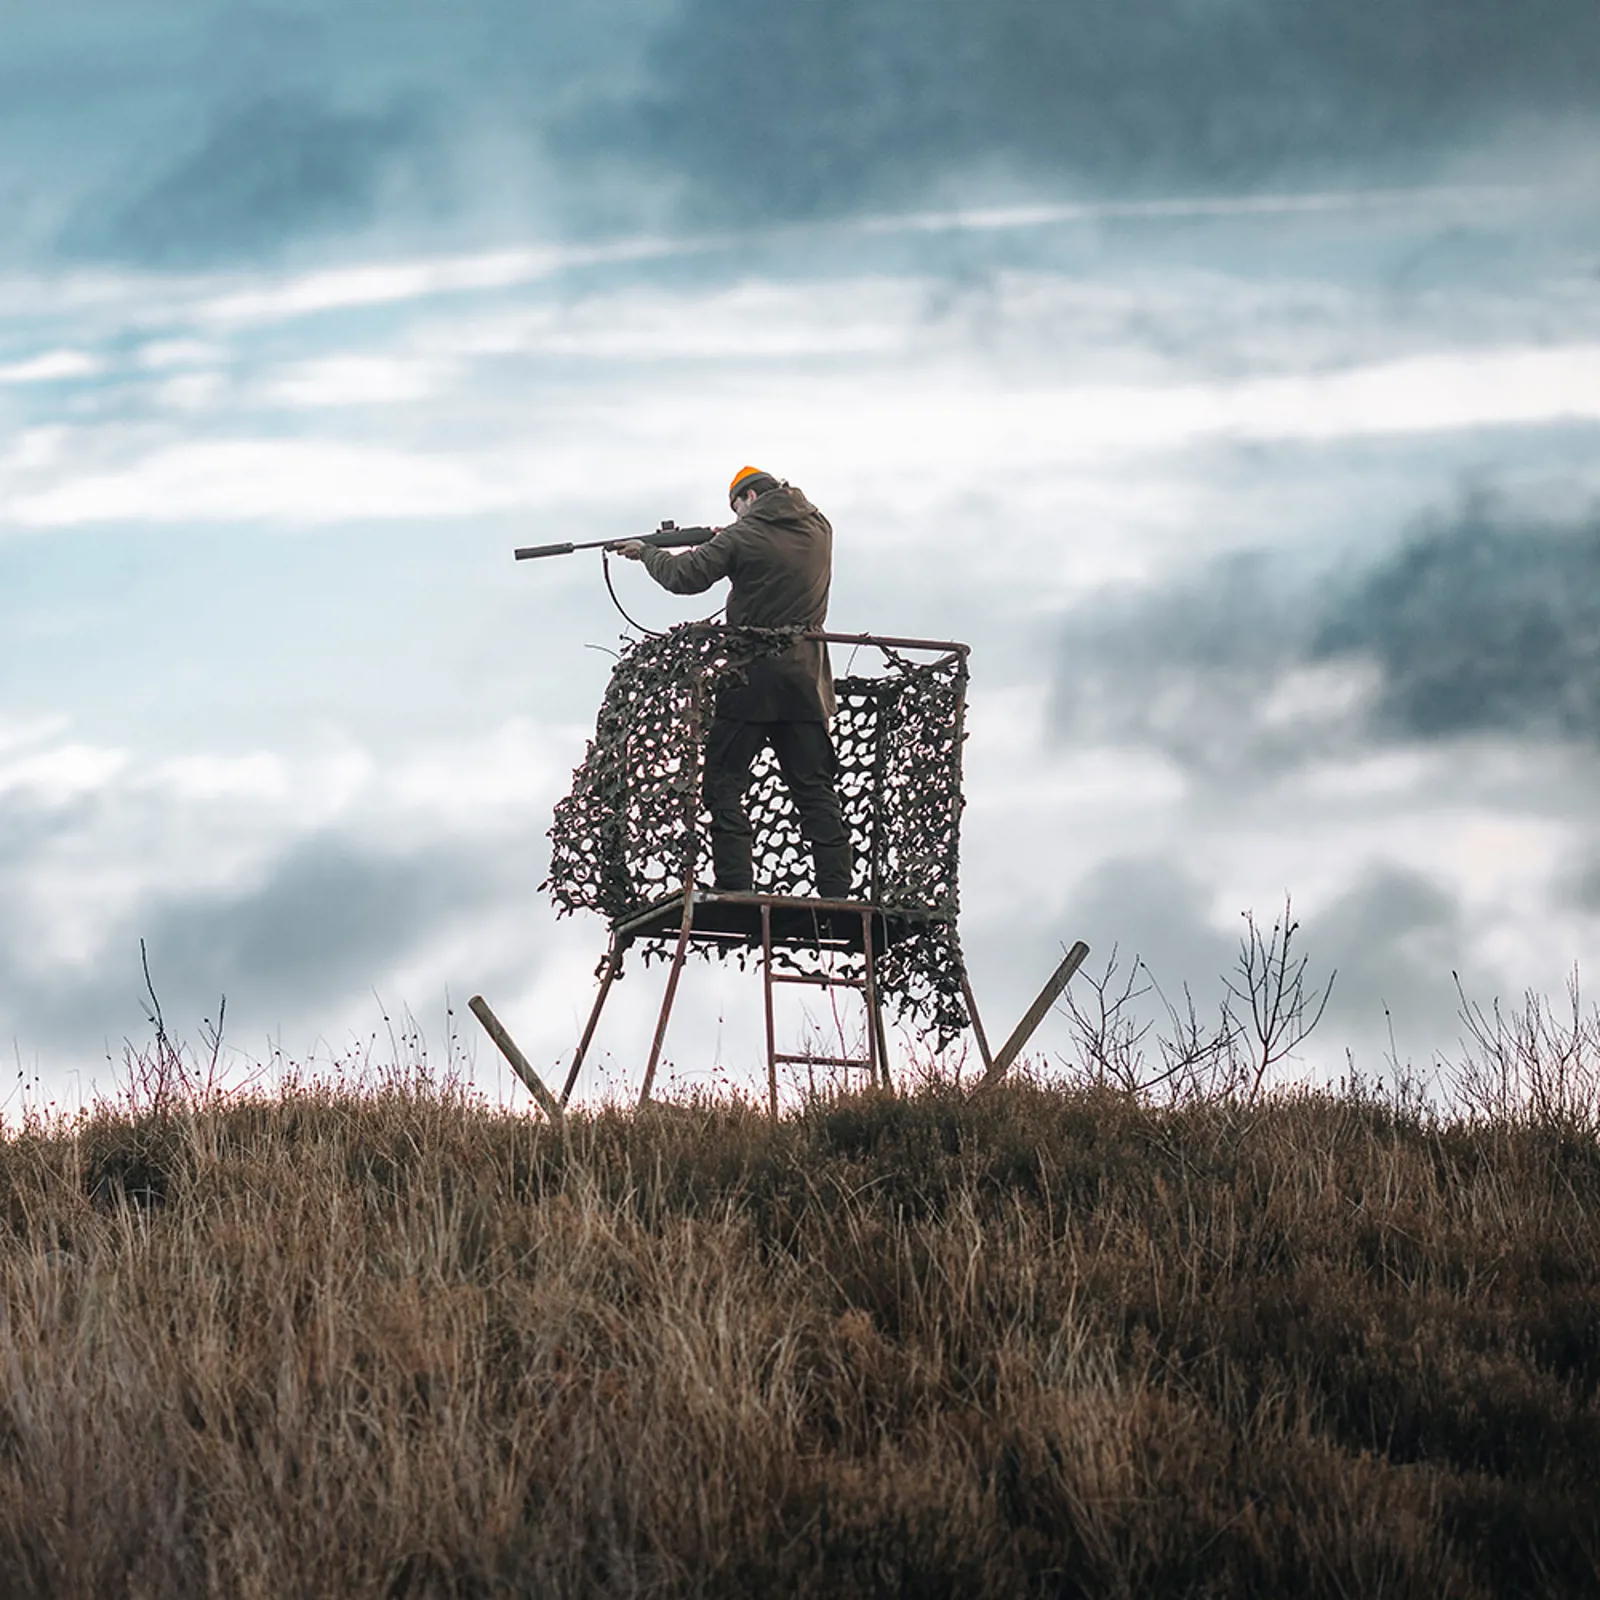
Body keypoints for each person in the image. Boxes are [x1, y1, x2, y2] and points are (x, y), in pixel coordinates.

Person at [618, 466, 854, 899]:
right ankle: (836, 890)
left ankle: (734, 885)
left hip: (749, 680)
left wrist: (649, 552)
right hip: (806, 683)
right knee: (815, 789)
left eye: (736, 507)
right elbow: (770, 547)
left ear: (746, 499)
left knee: (724, 784)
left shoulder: (741, 537)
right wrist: (721, 536)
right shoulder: (820, 526)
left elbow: (682, 577)